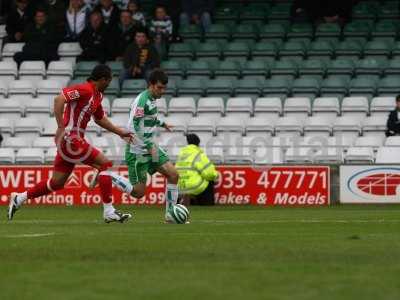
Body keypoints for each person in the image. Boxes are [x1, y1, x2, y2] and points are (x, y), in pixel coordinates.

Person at [8, 65, 134, 223]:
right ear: (102, 79)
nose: (109, 84)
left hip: (73, 141)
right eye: (109, 81)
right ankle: (109, 211)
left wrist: (119, 132)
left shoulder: (97, 96)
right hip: (70, 139)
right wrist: (61, 126)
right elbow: (59, 99)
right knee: (106, 165)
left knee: (57, 182)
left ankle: (18, 198)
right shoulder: (85, 90)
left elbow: (99, 118)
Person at [90, 69, 180, 223]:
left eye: (164, 88)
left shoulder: (152, 100)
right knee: (138, 193)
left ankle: (170, 215)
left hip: (149, 147)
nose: (162, 91)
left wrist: (162, 123)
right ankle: (107, 175)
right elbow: (134, 126)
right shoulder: (142, 100)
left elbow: (148, 119)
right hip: (137, 151)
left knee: (173, 175)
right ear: (150, 85)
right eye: (159, 87)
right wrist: (146, 145)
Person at [176, 134, 218, 206]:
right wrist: (216, 175)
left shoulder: (181, 154)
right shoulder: (198, 154)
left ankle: (184, 202)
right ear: (198, 143)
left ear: (187, 142)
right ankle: (207, 205)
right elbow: (209, 173)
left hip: (181, 186)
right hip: (194, 186)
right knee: (210, 180)